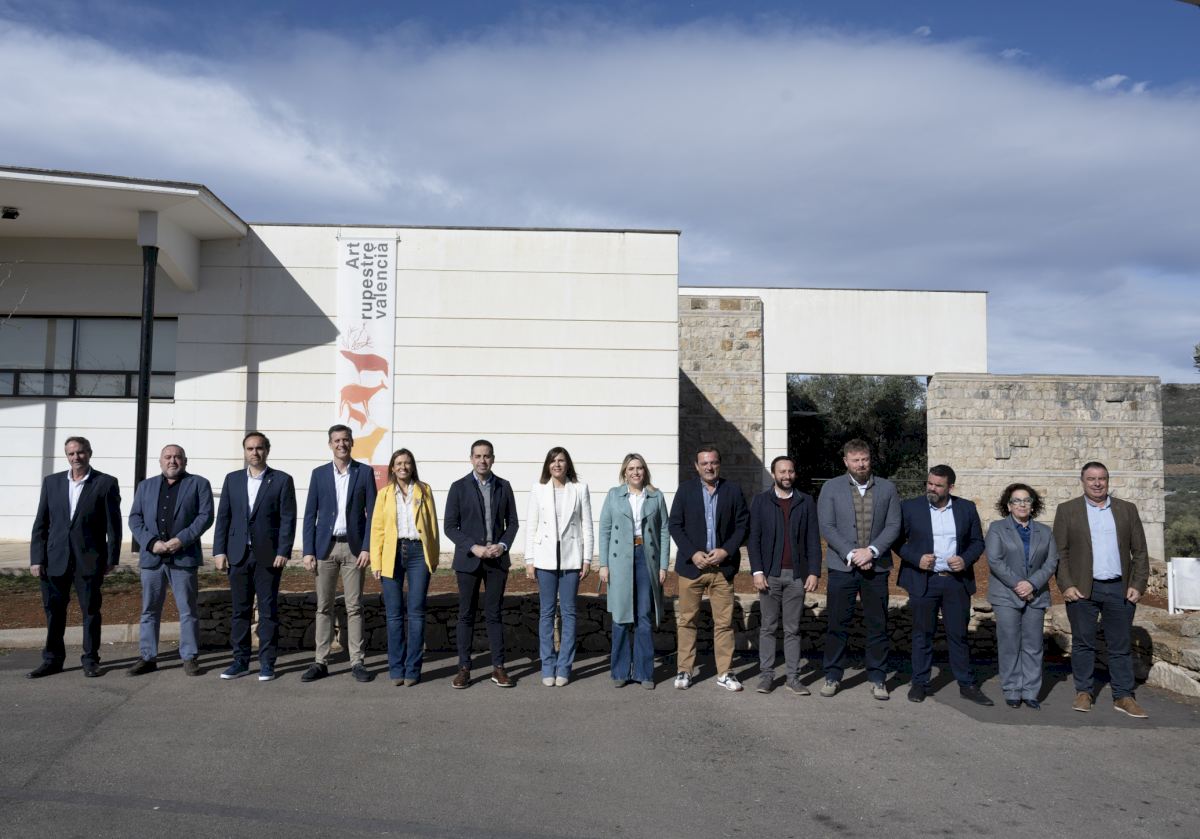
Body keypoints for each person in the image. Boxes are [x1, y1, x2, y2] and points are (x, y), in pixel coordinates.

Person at [1053, 461, 1151, 718]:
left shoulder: (1127, 509)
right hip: (1082, 589)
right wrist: (1066, 584)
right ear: (1082, 481)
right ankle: (1084, 692)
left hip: (1120, 589)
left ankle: (1123, 696)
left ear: (1108, 481)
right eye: (1091, 479)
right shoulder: (1067, 510)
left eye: (1102, 478)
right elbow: (1060, 553)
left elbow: (1140, 552)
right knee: (1083, 643)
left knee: (1120, 645)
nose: (1097, 483)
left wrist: (1138, 584)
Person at [27, 436, 122, 679]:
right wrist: (36, 558)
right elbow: (41, 523)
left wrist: (112, 557)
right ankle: (52, 660)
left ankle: (90, 660)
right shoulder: (52, 483)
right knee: (54, 612)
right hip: (54, 559)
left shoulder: (106, 483)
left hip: (88, 559)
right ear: (66, 456)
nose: (76, 457)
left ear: (89, 453)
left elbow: (114, 525)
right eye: (71, 453)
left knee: (90, 612)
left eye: (80, 452)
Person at [897, 465, 991, 706]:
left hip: (955, 583)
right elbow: (897, 542)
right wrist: (916, 558)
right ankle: (920, 683)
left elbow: (977, 542)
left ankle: (967, 684)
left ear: (951, 487)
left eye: (938, 485)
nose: (932, 488)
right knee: (922, 634)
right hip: (924, 581)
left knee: (958, 635)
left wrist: (965, 560)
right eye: (929, 483)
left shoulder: (966, 508)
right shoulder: (910, 507)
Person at [817, 439, 901, 700]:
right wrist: (853, 554)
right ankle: (832, 675)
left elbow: (894, 525)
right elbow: (827, 526)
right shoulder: (831, 487)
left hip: (876, 567)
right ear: (846, 461)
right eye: (855, 460)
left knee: (878, 625)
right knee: (837, 623)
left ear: (870, 459)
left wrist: (872, 551)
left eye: (864, 459)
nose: (861, 464)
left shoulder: (887, 488)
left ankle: (877, 677)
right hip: (842, 567)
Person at [212, 431, 297, 682]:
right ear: (244, 451)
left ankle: (267, 663)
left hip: (268, 555)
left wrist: (283, 550)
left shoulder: (281, 480)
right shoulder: (233, 480)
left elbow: (288, 519)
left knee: (268, 611)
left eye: (259, 448)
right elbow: (223, 517)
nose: (254, 453)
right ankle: (240, 661)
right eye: (250, 448)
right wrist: (219, 550)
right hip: (237, 554)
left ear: (267, 450)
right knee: (240, 610)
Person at [126, 444, 214, 677]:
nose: (172, 461)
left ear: (185, 460)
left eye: (177, 457)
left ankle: (189, 656)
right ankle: (148, 657)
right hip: (152, 557)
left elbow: (205, 516)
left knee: (187, 610)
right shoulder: (145, 486)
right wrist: (150, 542)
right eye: (168, 457)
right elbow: (135, 518)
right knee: (149, 610)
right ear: (160, 461)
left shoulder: (198, 484)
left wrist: (181, 540)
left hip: (183, 556)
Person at [300, 424, 378, 684]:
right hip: (325, 547)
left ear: (352, 442)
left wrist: (367, 547)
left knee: (354, 607)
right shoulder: (319, 474)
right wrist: (308, 550)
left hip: (354, 549)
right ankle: (320, 661)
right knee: (324, 606)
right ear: (330, 444)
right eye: (336, 440)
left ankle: (357, 661)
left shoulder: (364, 472)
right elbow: (310, 515)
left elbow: (372, 515)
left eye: (345, 440)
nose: (341, 444)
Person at [668, 444, 750, 691]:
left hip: (722, 569)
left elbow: (743, 525)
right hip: (692, 568)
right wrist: (693, 553)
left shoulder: (733, 490)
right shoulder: (685, 490)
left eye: (713, 462)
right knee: (687, 621)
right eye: (704, 463)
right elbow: (675, 525)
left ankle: (725, 673)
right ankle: (685, 670)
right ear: (697, 466)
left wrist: (726, 550)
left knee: (724, 623)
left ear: (719, 464)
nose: (709, 467)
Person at [444, 439, 519, 688]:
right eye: (478, 456)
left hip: (497, 559)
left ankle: (498, 668)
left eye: (486, 456)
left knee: (494, 614)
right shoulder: (458, 487)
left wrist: (503, 545)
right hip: (469, 559)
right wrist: (472, 547)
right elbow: (450, 527)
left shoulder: (503, 486)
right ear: (471, 459)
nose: (482, 460)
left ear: (493, 459)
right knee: (466, 615)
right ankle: (464, 668)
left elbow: (513, 523)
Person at [748, 455, 821, 695]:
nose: (787, 476)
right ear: (774, 474)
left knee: (793, 629)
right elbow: (754, 539)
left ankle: (793, 678)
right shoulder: (761, 501)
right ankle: (766, 676)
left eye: (790, 471)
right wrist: (757, 571)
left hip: (797, 576)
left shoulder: (805, 501)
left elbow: (813, 539)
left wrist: (814, 572)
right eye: (782, 472)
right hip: (769, 575)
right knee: (768, 627)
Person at [598, 454, 670, 688]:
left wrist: (663, 565)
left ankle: (644, 673)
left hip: (646, 558)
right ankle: (620, 672)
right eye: (631, 469)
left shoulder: (656, 496)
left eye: (639, 468)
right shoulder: (614, 495)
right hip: (620, 560)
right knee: (620, 616)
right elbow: (605, 530)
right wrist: (603, 564)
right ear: (624, 472)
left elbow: (664, 531)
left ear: (645, 471)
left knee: (644, 616)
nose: (635, 472)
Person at [984, 483, 1058, 709]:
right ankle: (1012, 689)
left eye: (1026, 500)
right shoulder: (997, 528)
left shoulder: (1045, 531)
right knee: (1010, 643)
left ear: (1033, 505)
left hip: (1036, 595)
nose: (1022, 504)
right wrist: (1018, 584)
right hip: (1006, 595)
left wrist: (1032, 584)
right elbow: (994, 560)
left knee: (1033, 645)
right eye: (1016, 500)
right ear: (1008, 505)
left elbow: (1051, 562)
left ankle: (1031, 691)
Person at [370, 448, 440, 686]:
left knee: (417, 612)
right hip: (392, 553)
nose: (403, 467)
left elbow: (432, 525)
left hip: (418, 552)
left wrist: (433, 556)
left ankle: (413, 669)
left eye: (407, 463)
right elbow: (377, 529)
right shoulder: (384, 494)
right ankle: (396, 669)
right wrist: (376, 561)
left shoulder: (424, 490)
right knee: (394, 614)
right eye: (399, 463)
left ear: (412, 466)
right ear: (392, 467)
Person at [525, 447, 593, 686]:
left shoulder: (580, 489)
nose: (557, 464)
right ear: (548, 465)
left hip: (571, 557)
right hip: (544, 557)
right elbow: (531, 525)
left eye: (561, 460)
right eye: (553, 461)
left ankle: (564, 666)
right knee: (546, 612)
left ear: (567, 464)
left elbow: (587, 526)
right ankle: (547, 666)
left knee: (569, 612)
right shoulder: (538, 489)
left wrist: (587, 559)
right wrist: (529, 560)